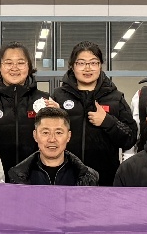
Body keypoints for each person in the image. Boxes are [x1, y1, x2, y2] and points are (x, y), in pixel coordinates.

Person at [50, 40, 137, 185]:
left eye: (93, 63)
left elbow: (130, 138)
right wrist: (55, 117)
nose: (87, 68)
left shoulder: (115, 98)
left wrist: (108, 121)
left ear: (100, 65)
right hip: (65, 177)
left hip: (105, 179)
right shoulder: (58, 96)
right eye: (81, 63)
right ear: (72, 66)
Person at [0, 42, 55, 175]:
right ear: (0, 66)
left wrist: (58, 115)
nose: (14, 68)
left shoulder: (45, 100)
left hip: (35, 175)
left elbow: (56, 140)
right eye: (8, 63)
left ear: (28, 66)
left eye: (20, 63)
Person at [7, 105, 100, 186]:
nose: (52, 139)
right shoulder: (17, 176)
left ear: (68, 136)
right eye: (45, 132)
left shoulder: (89, 177)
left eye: (58, 132)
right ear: (35, 136)